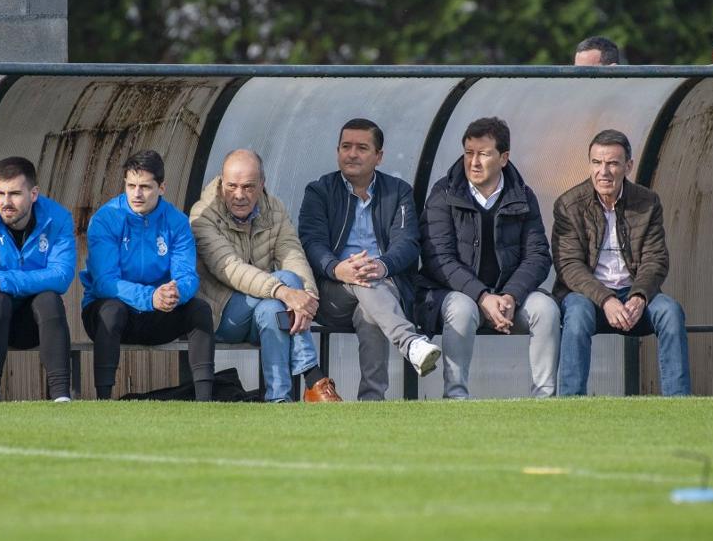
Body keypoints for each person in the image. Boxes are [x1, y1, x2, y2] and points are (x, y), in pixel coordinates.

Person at [416, 117, 560, 399]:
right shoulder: (443, 193)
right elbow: (437, 258)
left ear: (504, 158)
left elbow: (538, 256)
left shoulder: (523, 196)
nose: (474, 162)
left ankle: (545, 400)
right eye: (469, 152)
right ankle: (455, 398)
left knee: (546, 309)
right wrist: (482, 296)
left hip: (508, 300)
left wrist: (510, 296)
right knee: (461, 308)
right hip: (455, 295)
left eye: (483, 154)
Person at [298, 119, 441, 400]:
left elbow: (408, 242)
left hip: (382, 285)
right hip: (332, 291)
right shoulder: (319, 191)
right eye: (346, 146)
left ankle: (371, 402)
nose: (352, 154)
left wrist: (381, 265)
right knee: (367, 285)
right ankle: (410, 342)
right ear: (337, 150)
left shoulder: (397, 191)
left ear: (379, 156)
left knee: (369, 307)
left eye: (362, 148)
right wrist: (338, 268)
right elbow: (312, 242)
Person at [190, 149, 340, 403]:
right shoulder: (202, 215)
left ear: (262, 184)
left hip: (266, 312)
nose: (239, 195)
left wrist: (307, 299)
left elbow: (293, 254)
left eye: (248, 187)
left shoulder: (275, 209)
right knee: (285, 284)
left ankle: (279, 400)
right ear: (220, 181)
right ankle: (313, 377)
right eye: (232, 186)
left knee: (273, 309)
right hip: (222, 317)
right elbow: (231, 268)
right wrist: (286, 292)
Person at [551, 129, 691, 396]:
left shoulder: (648, 202)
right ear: (589, 164)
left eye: (613, 163)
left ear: (628, 166)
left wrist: (639, 297)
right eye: (596, 163)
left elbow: (656, 259)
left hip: (634, 294)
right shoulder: (568, 204)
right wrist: (606, 299)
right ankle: (570, 401)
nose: (603, 171)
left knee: (670, 312)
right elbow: (569, 266)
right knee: (577, 314)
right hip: (587, 296)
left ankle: (679, 401)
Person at [80, 149, 215, 401]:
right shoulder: (105, 219)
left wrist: (175, 293)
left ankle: (205, 401)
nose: (137, 194)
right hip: (113, 315)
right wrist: (150, 297)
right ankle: (103, 399)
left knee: (199, 309)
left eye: (145, 187)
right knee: (111, 309)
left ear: (162, 187)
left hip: (159, 312)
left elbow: (187, 275)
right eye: (131, 186)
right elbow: (104, 282)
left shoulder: (176, 221)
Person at [0, 156, 76, 402]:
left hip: (28, 324)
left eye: (14, 194)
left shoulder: (58, 218)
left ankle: (62, 398)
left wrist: (4, 280)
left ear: (33, 194)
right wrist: (7, 283)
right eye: (0, 193)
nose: (6, 202)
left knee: (50, 299)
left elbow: (61, 276)